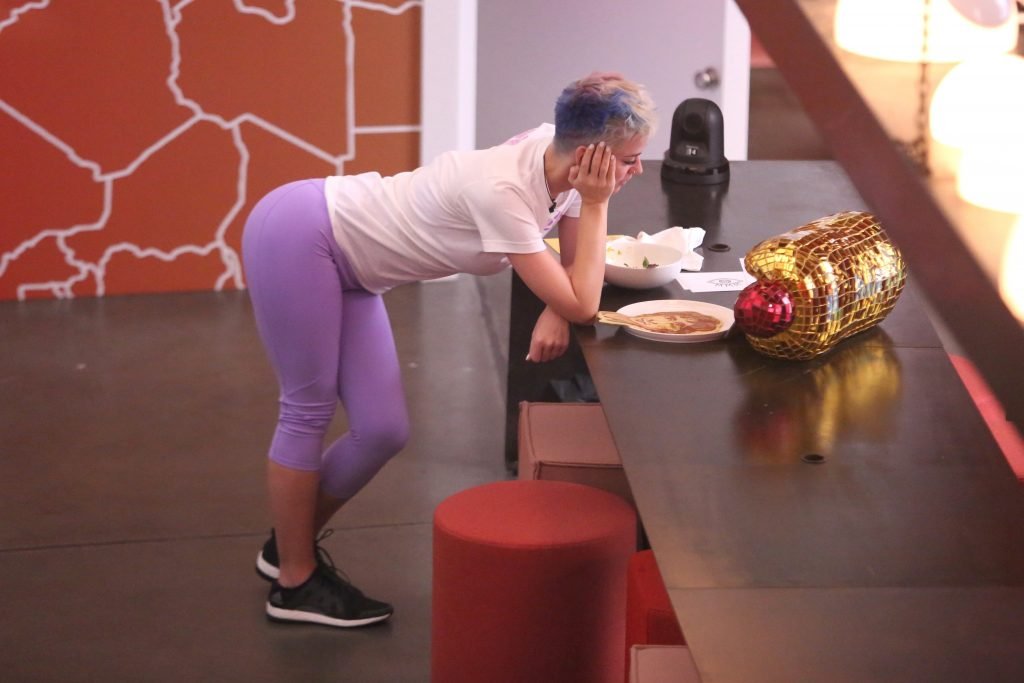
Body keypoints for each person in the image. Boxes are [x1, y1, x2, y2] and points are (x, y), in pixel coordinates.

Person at [241, 71, 655, 628]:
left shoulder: (558, 157)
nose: (637, 171)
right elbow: (584, 302)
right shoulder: (504, 192)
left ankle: (288, 544)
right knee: (307, 410)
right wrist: (594, 217)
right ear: (589, 157)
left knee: (382, 430)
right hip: (302, 235)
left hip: (355, 270)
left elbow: (574, 275)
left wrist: (558, 302)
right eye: (630, 161)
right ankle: (294, 581)